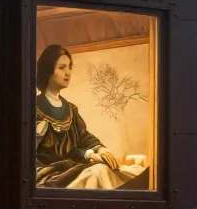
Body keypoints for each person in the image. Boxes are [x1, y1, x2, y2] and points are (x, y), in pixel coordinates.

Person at [34, 44, 127, 190]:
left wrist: (101, 150)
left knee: (118, 171)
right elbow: (46, 152)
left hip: (71, 167)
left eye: (70, 67)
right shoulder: (34, 108)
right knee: (98, 172)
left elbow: (83, 137)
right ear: (48, 71)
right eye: (61, 67)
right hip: (49, 172)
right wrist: (88, 155)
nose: (68, 73)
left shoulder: (71, 109)